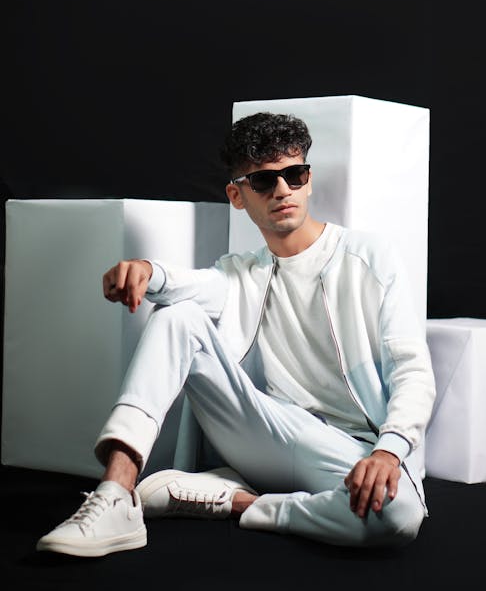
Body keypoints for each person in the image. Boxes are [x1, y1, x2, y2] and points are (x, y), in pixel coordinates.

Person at [37, 111, 436, 557]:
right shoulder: (241, 272)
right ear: (237, 195)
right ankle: (115, 495)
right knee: (178, 315)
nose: (283, 189)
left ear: (308, 180)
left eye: (294, 174)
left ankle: (234, 500)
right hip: (265, 431)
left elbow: (412, 369)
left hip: (349, 449)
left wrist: (389, 451)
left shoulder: (368, 256)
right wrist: (149, 272)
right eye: (264, 181)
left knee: (400, 515)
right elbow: (193, 285)